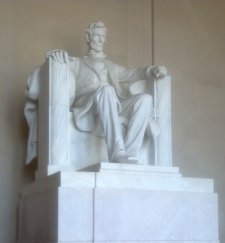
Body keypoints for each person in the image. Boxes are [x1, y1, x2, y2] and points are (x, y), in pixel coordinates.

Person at [39, 21, 167, 164]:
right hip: (88, 106)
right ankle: (117, 152)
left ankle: (130, 153)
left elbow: (133, 73)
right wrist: (57, 54)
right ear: (88, 37)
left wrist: (151, 70)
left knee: (145, 99)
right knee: (107, 89)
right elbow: (55, 59)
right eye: (97, 36)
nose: (101, 40)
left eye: (103, 36)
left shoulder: (111, 66)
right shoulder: (77, 62)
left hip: (113, 103)